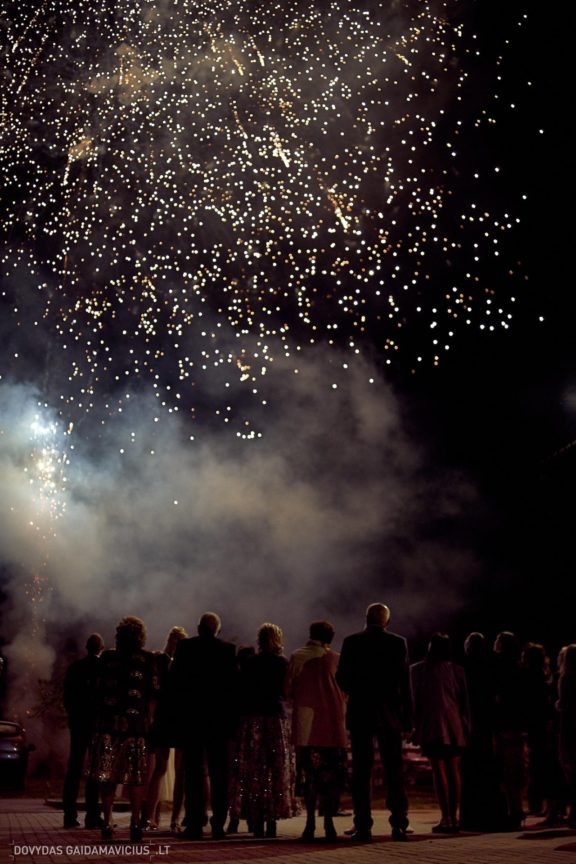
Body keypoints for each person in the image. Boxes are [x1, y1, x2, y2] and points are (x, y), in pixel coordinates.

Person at [336, 603, 413, 842]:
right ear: (387, 622)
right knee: (394, 770)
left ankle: (363, 826)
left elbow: (342, 677)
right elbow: (404, 682)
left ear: (366, 619)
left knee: (361, 771)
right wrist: (408, 718)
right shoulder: (398, 643)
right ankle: (399, 824)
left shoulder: (351, 642)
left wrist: (357, 691)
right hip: (389, 713)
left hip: (361, 711)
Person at [89, 616, 160, 842]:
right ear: (141, 636)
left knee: (108, 775)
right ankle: (135, 822)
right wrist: (149, 721)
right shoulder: (148, 660)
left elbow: (96, 692)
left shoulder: (107, 658)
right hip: (136, 729)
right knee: (136, 777)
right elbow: (153, 697)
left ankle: (108, 820)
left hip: (108, 726)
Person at [169, 611, 238, 840]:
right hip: (219, 721)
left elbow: (175, 683)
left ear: (199, 628)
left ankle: (195, 823)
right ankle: (218, 823)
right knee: (220, 774)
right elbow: (232, 688)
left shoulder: (186, 648)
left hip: (193, 719)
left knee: (194, 774)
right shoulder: (228, 650)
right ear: (218, 629)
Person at [229, 623, 297, 838]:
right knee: (275, 769)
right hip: (275, 718)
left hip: (252, 719)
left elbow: (240, 691)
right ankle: (272, 818)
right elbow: (287, 693)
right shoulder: (282, 663)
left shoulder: (250, 663)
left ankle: (256, 817)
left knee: (254, 770)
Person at [285, 619, 348, 841]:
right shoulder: (338, 660)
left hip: (306, 728)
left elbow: (288, 691)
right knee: (330, 779)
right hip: (332, 727)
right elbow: (346, 692)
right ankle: (329, 823)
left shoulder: (297, 656)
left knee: (309, 778)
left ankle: (310, 823)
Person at [410, 633, 470, 833]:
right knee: (454, 770)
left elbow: (414, 701)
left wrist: (414, 726)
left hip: (433, 724)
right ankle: (454, 816)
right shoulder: (458, 671)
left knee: (439, 770)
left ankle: (446, 817)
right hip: (454, 726)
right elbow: (464, 703)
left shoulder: (418, 670)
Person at [142, 625, 188, 831]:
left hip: (172, 720)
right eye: (174, 640)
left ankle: (168, 818)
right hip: (169, 720)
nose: (175, 644)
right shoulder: (162, 661)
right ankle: (153, 816)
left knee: (177, 770)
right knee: (163, 769)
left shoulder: (166, 662)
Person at [459, 631, 506, 831]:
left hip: (471, 725)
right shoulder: (491, 667)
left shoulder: (463, 669)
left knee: (470, 772)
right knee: (488, 769)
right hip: (486, 725)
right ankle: (493, 815)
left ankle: (471, 817)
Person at [62, 633, 104, 829]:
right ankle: (92, 814)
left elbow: (67, 697)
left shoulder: (74, 668)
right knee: (94, 769)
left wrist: (73, 716)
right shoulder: (102, 668)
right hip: (95, 724)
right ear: (100, 648)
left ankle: (69, 815)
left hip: (78, 723)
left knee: (74, 767)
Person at [492, 630, 529, 830]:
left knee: (508, 771)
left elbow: (497, 697)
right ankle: (516, 807)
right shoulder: (520, 668)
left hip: (505, 724)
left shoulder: (499, 668)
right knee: (517, 769)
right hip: (518, 725)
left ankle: (513, 809)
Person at [557, 644, 576, 829]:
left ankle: (574, 814)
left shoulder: (566, 678)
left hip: (568, 726)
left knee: (569, 767)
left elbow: (563, 704)